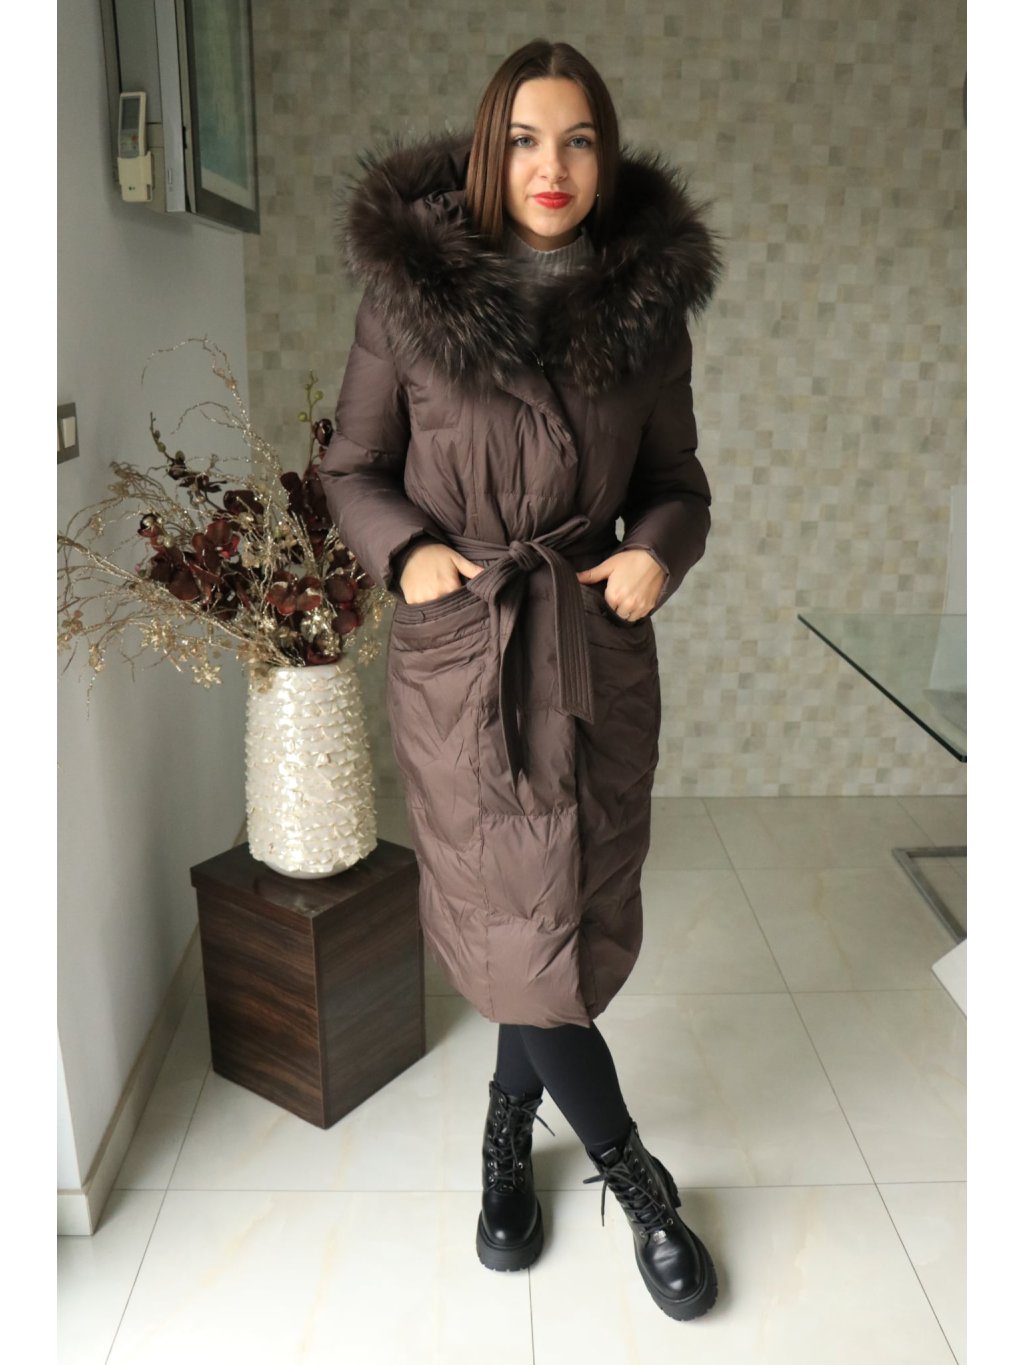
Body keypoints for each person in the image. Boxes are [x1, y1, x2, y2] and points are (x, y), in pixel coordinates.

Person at [319, 39, 722, 1322]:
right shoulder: (409, 299)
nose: (554, 166)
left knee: (552, 919)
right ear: (490, 153)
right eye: (528, 140)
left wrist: (657, 552)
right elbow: (349, 467)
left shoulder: (645, 310)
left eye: (580, 140)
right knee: (519, 924)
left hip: (590, 650)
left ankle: (505, 1127)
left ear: (606, 157)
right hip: (468, 660)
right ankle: (636, 1180)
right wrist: (410, 555)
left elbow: (677, 485)